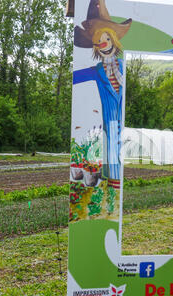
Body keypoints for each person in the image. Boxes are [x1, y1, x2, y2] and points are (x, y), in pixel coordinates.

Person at [73, 0, 132, 190]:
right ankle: (113, 184)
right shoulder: (97, 69)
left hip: (123, 116)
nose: (102, 43)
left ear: (113, 39)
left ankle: (116, 183)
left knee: (121, 146)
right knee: (111, 148)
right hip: (109, 117)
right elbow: (75, 77)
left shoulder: (124, 66)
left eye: (106, 38)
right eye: (98, 42)